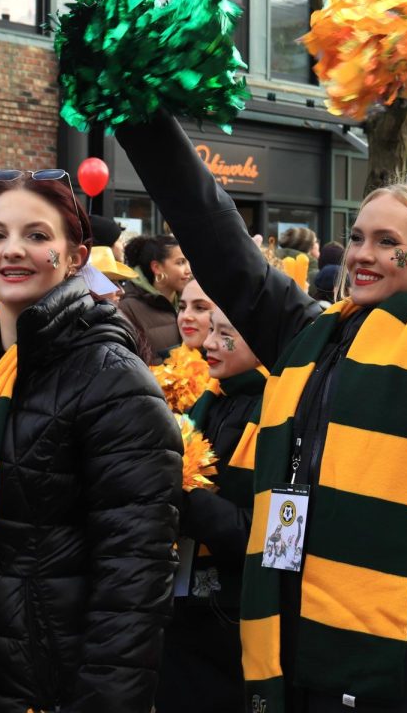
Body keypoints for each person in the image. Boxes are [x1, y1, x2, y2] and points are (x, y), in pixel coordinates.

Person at [116, 93, 407, 710]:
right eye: (357, 236)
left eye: (389, 242)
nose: (362, 254)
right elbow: (217, 239)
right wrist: (138, 114)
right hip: (300, 657)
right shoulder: (311, 332)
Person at [0, 171, 182, 713]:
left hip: (43, 686)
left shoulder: (112, 380)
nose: (12, 252)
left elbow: (134, 576)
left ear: (76, 257)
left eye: (36, 236)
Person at [156, 306, 268, 713]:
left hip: (235, 616)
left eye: (225, 332)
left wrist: (182, 491)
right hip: (185, 608)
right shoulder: (213, 398)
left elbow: (262, 532)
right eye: (210, 330)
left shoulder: (279, 407)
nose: (207, 343)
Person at [121, 233, 192, 360]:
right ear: (157, 267)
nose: (188, 270)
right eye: (181, 263)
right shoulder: (128, 308)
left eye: (188, 262)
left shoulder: (190, 302)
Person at [177, 277, 215, 351]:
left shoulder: (240, 361)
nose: (185, 316)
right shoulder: (167, 359)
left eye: (200, 307)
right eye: (182, 307)